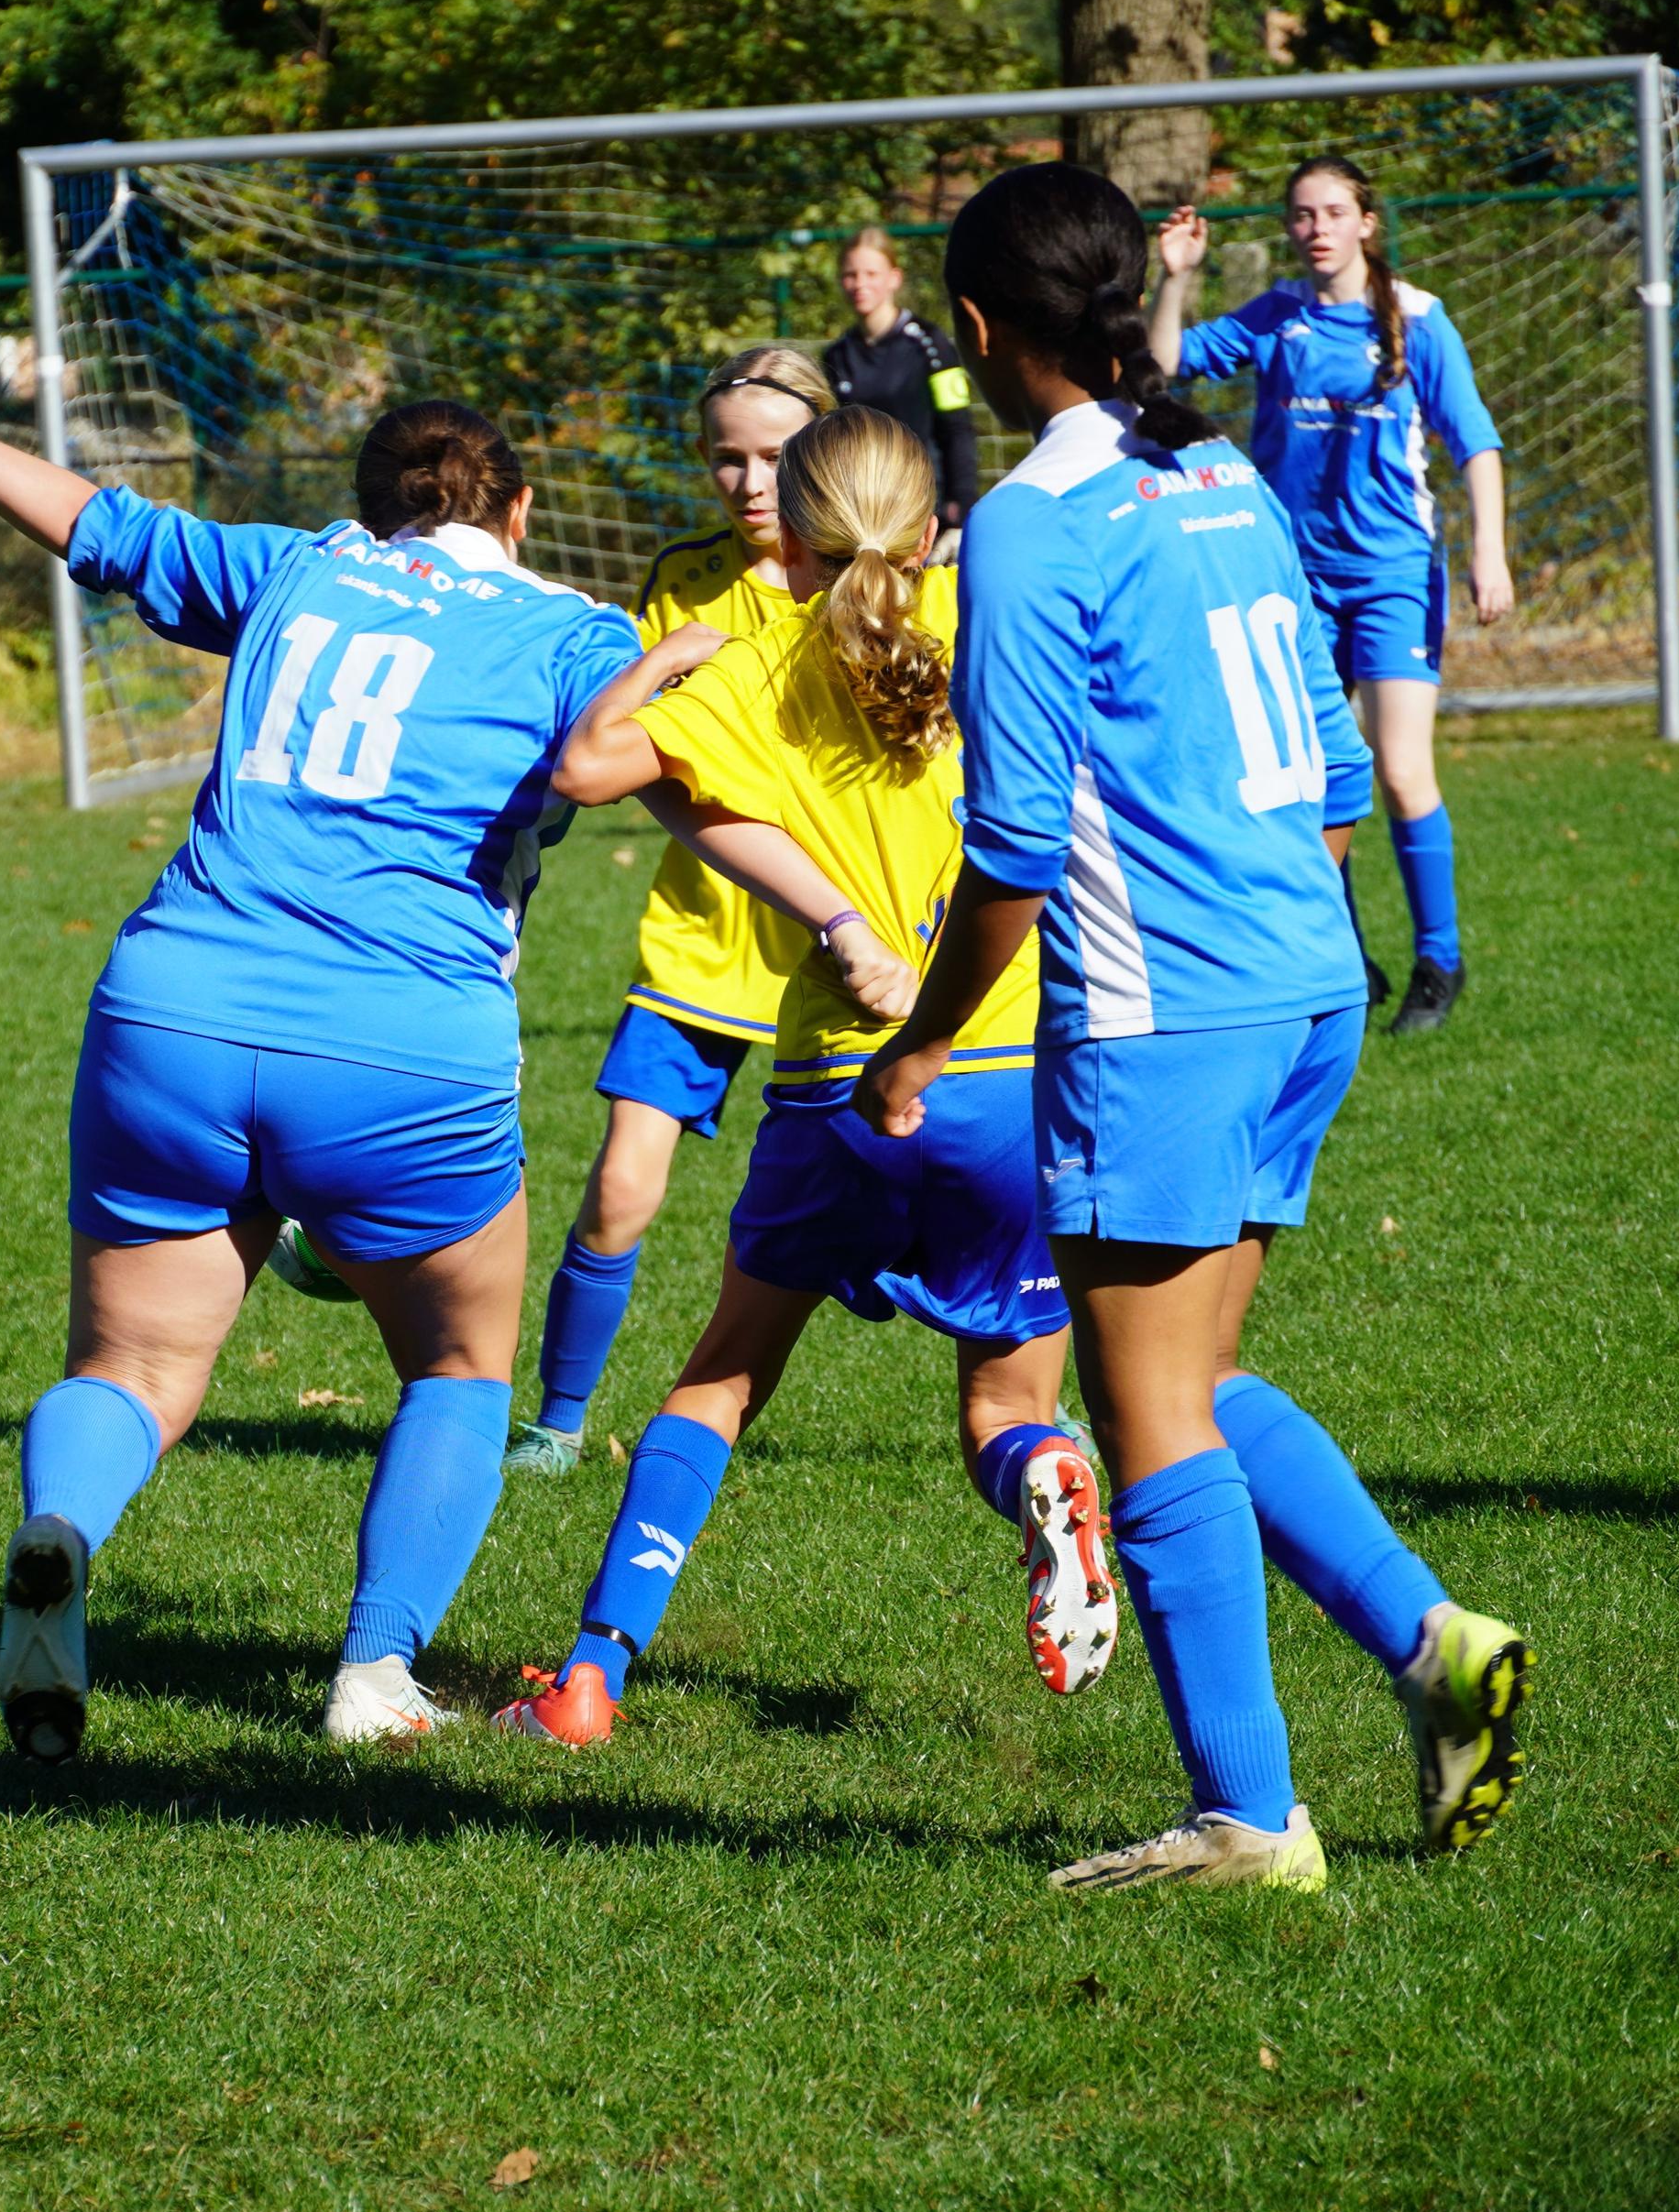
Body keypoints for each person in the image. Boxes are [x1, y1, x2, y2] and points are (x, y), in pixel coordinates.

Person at [0, 356, 642, 1761]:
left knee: (132, 1367)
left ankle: (60, 1530)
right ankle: (374, 1678)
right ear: (525, 512)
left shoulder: (298, 568)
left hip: (173, 1010)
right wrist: (844, 918)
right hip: (401, 1040)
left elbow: (91, 520)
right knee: (461, 1364)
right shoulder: (575, 634)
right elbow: (681, 779)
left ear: (367, 511)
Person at [858, 160, 1531, 1893]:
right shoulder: (1217, 466)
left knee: (1146, 1414)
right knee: (1200, 1382)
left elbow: (1008, 854)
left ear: (988, 330)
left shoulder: (1026, 518)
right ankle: (1431, 1642)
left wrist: (922, 1046)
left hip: (1166, 1017)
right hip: (1303, 982)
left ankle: (1248, 1821)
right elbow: (1323, 760)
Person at [497, 408, 1112, 1747]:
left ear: (799, 520)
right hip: (1017, 1074)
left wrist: (664, 659)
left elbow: (586, 765)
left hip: (841, 1085)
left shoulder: (759, 659)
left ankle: (591, 1680)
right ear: (935, 520)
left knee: (720, 1377)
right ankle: (1049, 1476)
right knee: (1009, 1401)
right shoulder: (999, 615)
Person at [505, 346, 828, 1481]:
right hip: (705, 935)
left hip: (854, 940)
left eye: (774, 459)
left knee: (955, 1181)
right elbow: (624, 745)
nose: (746, 482)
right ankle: (558, 1420)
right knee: (620, 1188)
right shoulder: (682, 577)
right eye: (725, 458)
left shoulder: (881, 576)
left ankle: (1038, 1408)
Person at [1150, 158, 1513, 1035]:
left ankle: (1442, 958)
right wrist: (1175, 281)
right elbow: (1160, 369)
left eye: (1334, 212)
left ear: (1366, 223)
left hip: (1392, 575)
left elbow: (1477, 444)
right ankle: (1341, 954)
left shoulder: (1419, 321)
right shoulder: (1276, 316)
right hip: (1294, 582)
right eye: (1302, 214)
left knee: (1397, 768)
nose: (1316, 227)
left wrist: (1491, 553)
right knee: (1306, 779)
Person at [819, 228, 984, 563]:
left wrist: (962, 507)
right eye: (850, 275)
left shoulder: (931, 344)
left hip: (923, 514)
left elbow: (958, 427)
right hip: (859, 517)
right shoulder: (835, 357)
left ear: (894, 278)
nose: (860, 284)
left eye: (871, 274)